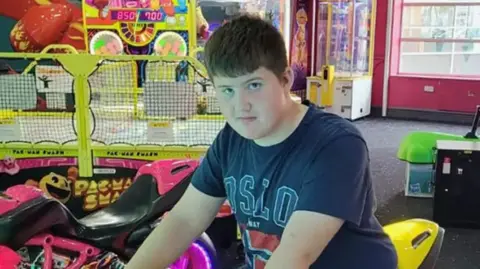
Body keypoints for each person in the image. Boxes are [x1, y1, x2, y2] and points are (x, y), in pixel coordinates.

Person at [126, 15, 398, 269]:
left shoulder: (336, 144)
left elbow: (295, 255)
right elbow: (184, 220)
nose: (240, 105)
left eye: (253, 85)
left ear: (286, 80)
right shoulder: (232, 139)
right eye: (227, 90)